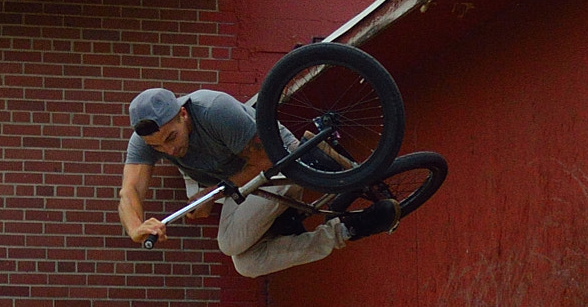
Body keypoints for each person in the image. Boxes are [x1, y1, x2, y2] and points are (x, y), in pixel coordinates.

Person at [118, 87, 395, 277]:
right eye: (157, 147)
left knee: (228, 245)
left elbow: (264, 160)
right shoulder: (146, 141)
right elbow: (130, 191)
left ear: (183, 114)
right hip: (239, 186)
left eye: (171, 138)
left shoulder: (213, 109)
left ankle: (306, 182)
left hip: (281, 164)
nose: (169, 151)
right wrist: (135, 228)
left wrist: (209, 196)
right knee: (246, 264)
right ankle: (347, 229)